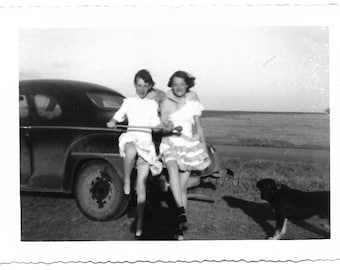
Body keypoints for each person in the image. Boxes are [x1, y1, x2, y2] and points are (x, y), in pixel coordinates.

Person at [106, 69, 170, 237]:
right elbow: (118, 116)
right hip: (131, 137)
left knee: (141, 185)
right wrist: (112, 121)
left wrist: (165, 126)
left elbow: (155, 125)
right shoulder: (128, 102)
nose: (141, 89)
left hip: (146, 144)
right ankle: (127, 180)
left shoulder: (152, 104)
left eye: (145, 86)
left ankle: (140, 223)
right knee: (131, 149)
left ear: (149, 86)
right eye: (138, 85)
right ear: (135, 85)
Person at [159, 70, 211, 240]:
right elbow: (162, 124)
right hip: (170, 142)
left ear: (187, 84)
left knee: (182, 188)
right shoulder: (166, 102)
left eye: (182, 84)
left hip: (188, 145)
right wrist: (166, 126)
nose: (179, 87)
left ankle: (179, 227)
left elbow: (199, 126)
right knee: (172, 166)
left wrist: (203, 148)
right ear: (171, 85)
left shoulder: (193, 99)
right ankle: (180, 211)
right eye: (175, 84)